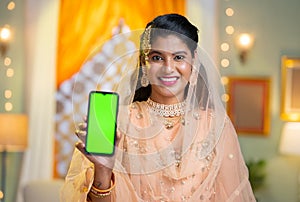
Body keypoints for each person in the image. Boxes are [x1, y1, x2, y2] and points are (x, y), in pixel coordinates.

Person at [60, 13, 256, 201]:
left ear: (194, 62)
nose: (168, 68)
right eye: (157, 57)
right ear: (145, 63)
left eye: (178, 57)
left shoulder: (216, 126)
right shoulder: (120, 122)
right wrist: (103, 170)